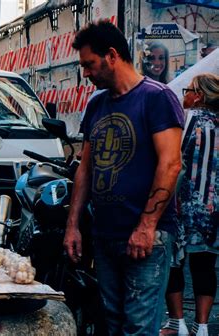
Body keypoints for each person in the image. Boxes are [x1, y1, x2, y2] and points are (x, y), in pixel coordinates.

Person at [63, 20, 184, 335]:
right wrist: (73, 225)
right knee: (112, 324)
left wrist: (146, 227)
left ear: (112, 55)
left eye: (89, 64)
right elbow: (85, 169)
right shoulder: (96, 105)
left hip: (147, 239)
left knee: (139, 328)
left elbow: (171, 164)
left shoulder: (157, 98)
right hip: (105, 237)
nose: (85, 73)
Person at [160, 73, 219, 336]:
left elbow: (175, 164)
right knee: (205, 265)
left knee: (173, 261)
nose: (184, 94)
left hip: (183, 204)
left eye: (188, 90)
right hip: (213, 209)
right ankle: (202, 326)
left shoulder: (189, 120)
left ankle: (177, 323)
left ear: (200, 96)